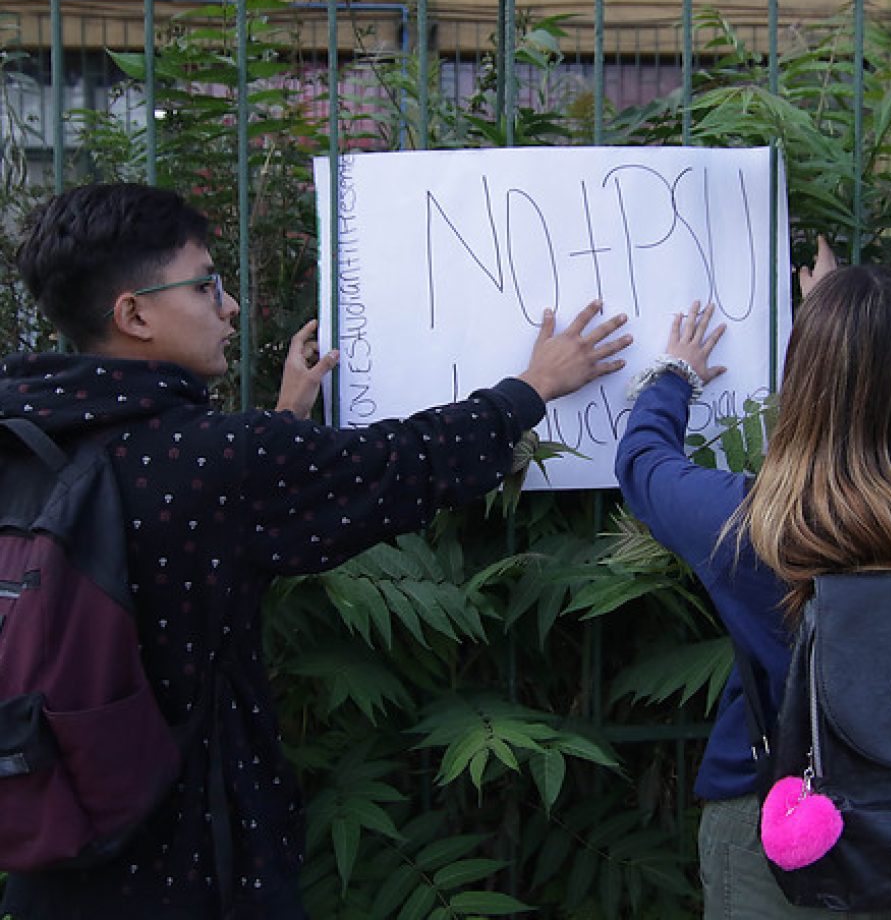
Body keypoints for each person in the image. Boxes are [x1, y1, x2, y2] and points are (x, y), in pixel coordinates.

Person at [0, 181, 632, 919]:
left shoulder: (28, 439)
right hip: (192, 857)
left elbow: (174, 529)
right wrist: (532, 386)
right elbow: (402, 464)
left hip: (58, 831)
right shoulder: (216, 463)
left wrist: (282, 426)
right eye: (205, 286)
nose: (230, 306)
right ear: (133, 314)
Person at [614, 239, 891, 920]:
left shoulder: (747, 525)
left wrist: (676, 374)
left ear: (806, 380)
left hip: (784, 821)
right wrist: (860, 325)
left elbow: (642, 462)